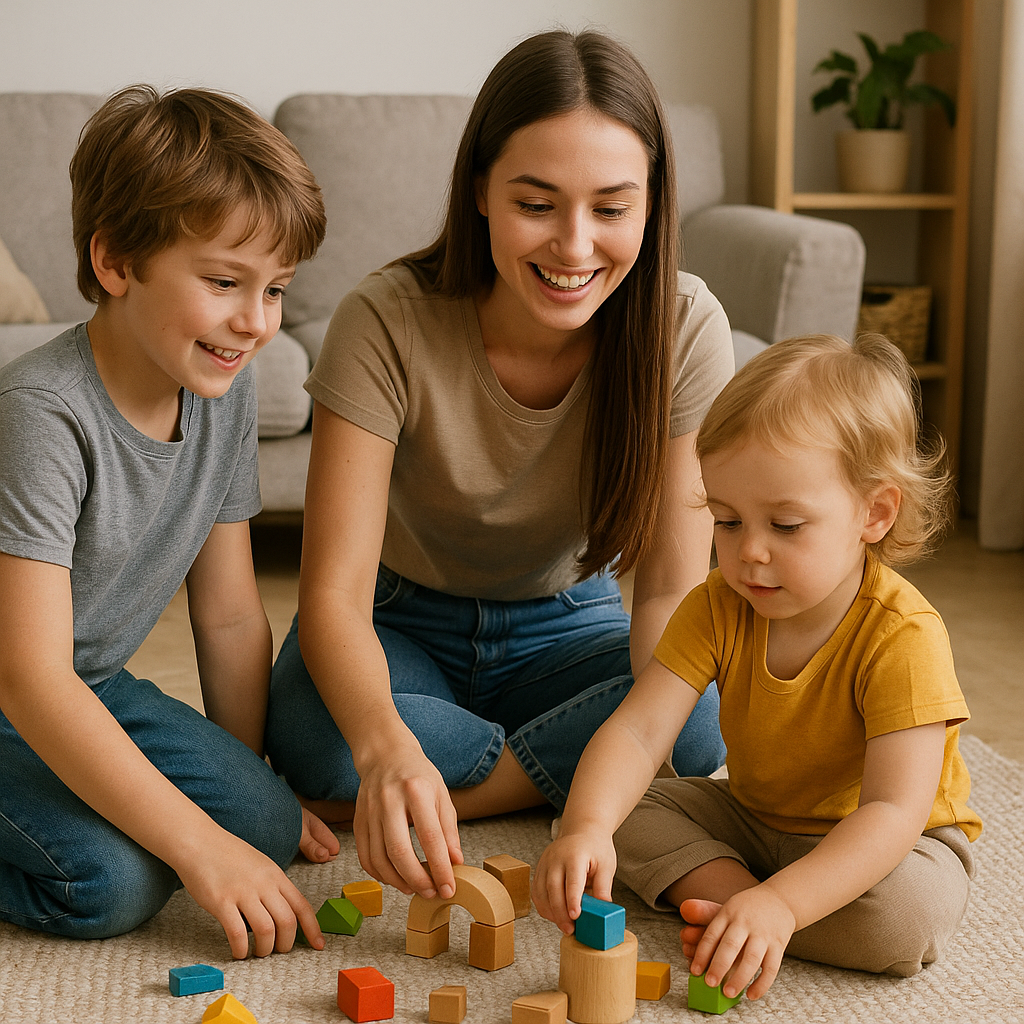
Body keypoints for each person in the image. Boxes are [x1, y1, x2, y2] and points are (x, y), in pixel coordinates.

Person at [264, 29, 733, 904]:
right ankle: (528, 762)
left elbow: (671, 592)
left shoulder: (684, 328)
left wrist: (406, 767)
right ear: (480, 190)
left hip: (569, 622)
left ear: (651, 204)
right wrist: (384, 747)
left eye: (610, 208)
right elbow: (330, 595)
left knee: (698, 720)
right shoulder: (386, 319)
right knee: (322, 741)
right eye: (537, 203)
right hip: (399, 620)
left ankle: (451, 790)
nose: (574, 246)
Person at [533, 333, 982, 999]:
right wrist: (588, 827)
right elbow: (638, 733)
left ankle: (756, 914)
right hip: (753, 818)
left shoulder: (902, 636)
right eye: (728, 521)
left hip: (886, 842)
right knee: (612, 809)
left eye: (787, 526)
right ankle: (743, 910)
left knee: (902, 920)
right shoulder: (717, 605)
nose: (750, 555)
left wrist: (788, 905)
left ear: (875, 513)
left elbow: (892, 810)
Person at [0, 85, 340, 958]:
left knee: (261, 824)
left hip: (94, 686)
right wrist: (198, 847)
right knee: (110, 882)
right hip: (18, 689)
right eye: (225, 283)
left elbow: (227, 613)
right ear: (115, 263)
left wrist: (242, 803)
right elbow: (30, 680)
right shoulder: (42, 413)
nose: (254, 323)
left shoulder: (222, 389)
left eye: (275, 291)